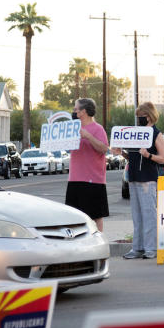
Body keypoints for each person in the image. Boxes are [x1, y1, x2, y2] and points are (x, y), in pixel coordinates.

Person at [113, 101, 164, 259]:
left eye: (141, 117)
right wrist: (122, 153)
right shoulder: (136, 134)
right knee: (136, 215)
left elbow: (163, 158)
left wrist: (148, 155)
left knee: (149, 214)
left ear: (149, 116)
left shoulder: (156, 134)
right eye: (138, 117)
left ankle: (151, 248)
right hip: (134, 178)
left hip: (148, 180)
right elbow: (133, 157)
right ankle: (137, 248)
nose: (139, 120)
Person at [64, 98, 109, 232]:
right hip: (74, 179)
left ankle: (99, 242)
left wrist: (88, 136)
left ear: (83, 112)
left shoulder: (98, 129)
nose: (73, 111)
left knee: (95, 216)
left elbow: (103, 148)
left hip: (93, 180)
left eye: (75, 109)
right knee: (73, 217)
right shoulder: (72, 129)